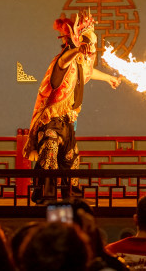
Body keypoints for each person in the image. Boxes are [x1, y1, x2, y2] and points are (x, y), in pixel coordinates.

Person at [23, 11, 121, 203]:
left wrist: (109, 78)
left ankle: (72, 200)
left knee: (72, 159)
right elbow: (64, 61)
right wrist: (76, 50)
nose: (92, 47)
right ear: (76, 42)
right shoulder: (63, 60)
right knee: (49, 157)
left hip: (69, 123)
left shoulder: (81, 64)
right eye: (88, 42)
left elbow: (90, 73)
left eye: (93, 42)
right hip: (52, 122)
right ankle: (45, 198)